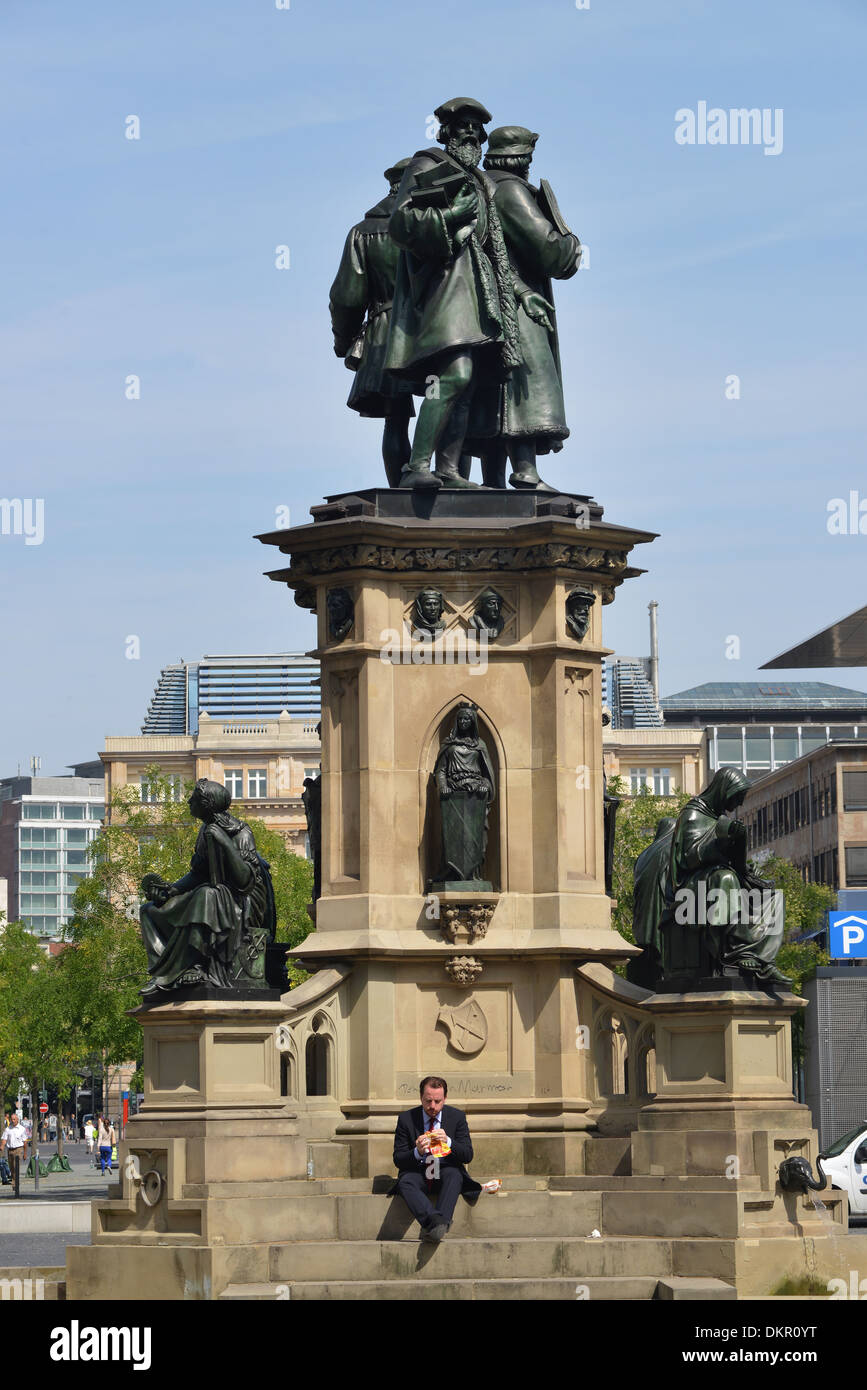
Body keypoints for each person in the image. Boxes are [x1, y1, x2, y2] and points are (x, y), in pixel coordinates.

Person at [386, 97, 535, 489]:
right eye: (462, 125)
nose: (470, 132)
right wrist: (452, 216)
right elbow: (401, 223)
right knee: (456, 373)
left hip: (479, 289)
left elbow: (496, 248)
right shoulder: (428, 163)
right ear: (446, 131)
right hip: (445, 290)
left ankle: (447, 470)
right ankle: (415, 466)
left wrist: (518, 292)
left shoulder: (482, 181)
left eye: (475, 126)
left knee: (469, 383)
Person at [467, 126, 581, 490]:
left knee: (494, 389)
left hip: (488, 305)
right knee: (525, 381)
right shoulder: (511, 191)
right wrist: (569, 240)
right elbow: (548, 251)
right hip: (518, 303)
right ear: (524, 160)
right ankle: (526, 471)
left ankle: (494, 482)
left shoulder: (481, 189)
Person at [139, 778, 276, 995]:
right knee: (149, 910)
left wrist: (224, 842)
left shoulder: (241, 832)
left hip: (242, 900)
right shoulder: (205, 830)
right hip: (216, 895)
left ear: (207, 803)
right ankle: (163, 973)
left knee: (205, 896)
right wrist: (171, 890)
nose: (188, 801)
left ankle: (193, 967)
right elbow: (198, 873)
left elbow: (245, 880)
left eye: (193, 797)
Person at [329, 160, 417, 486]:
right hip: (435, 328)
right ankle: (451, 485)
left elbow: (346, 297)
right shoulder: (434, 226)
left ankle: (400, 493)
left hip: (384, 332)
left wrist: (344, 342)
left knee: (396, 418)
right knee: (448, 408)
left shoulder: (363, 232)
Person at [391, 1077, 480, 1242]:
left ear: (445, 1099)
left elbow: (468, 1155)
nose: (432, 1106)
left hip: (445, 1170)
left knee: (455, 1175)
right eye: (428, 1101)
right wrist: (416, 1152)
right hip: (418, 1171)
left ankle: (437, 1226)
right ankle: (437, 1222)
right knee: (405, 1182)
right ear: (421, 1098)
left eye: (437, 1101)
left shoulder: (457, 1117)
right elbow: (398, 1159)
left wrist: (449, 1142)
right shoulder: (406, 1119)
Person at [1, 1112, 29, 1187]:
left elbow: (25, 1142)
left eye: (14, 1119)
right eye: (11, 1119)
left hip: (18, 1149)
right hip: (10, 1150)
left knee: (16, 1166)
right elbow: (4, 1139)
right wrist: (2, 1146)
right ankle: (14, 1179)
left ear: (17, 1120)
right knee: (11, 1167)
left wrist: (25, 1153)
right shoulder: (8, 1129)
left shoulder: (22, 1129)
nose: (12, 1120)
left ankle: (15, 1183)